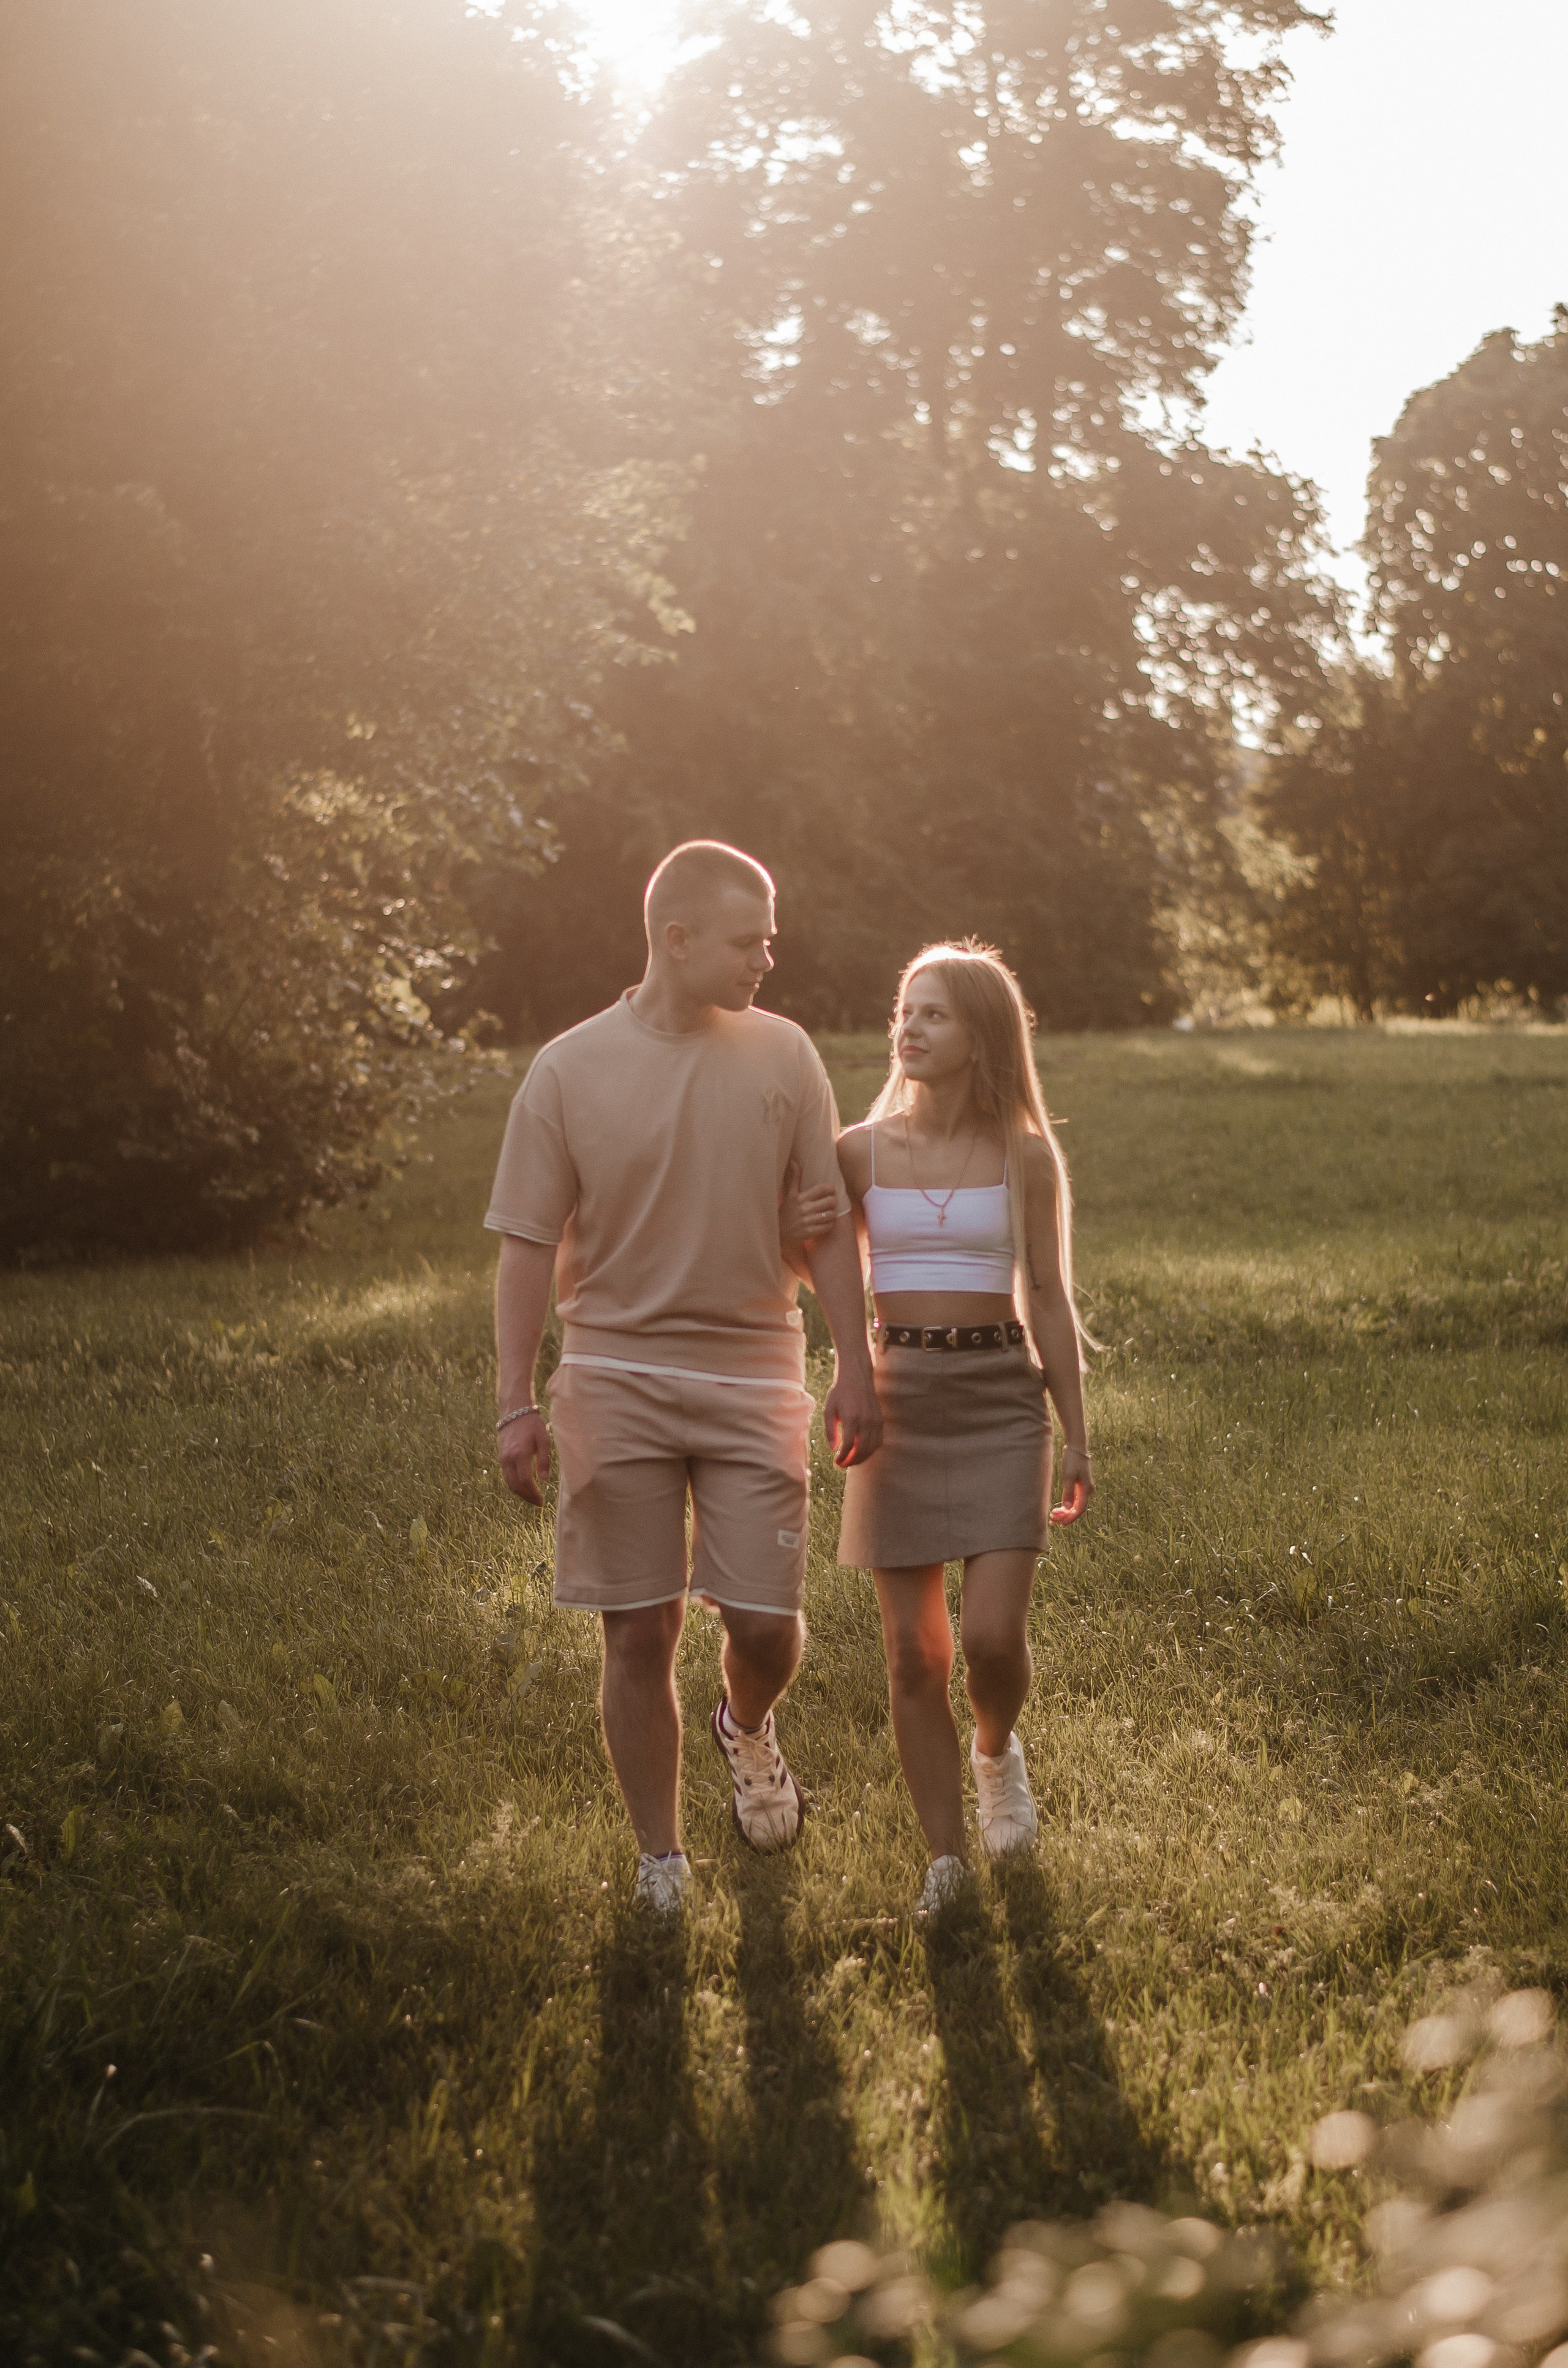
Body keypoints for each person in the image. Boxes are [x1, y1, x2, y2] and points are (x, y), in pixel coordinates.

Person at [485, 840, 881, 1915]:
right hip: (614, 1375)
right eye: (749, 939)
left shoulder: (787, 1054)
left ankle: (745, 1723)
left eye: (770, 937)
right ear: (676, 939)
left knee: (763, 1623)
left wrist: (853, 1359)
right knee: (640, 1626)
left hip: (756, 1373)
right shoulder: (567, 1068)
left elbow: (828, 1225)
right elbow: (525, 1242)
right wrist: (517, 1400)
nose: (768, 957)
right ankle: (662, 1858)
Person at [788, 942, 1093, 1918]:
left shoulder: (1026, 1155)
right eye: (904, 1011)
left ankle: (996, 1752)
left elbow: (1048, 1299)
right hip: (897, 1397)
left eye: (934, 1015)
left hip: (1003, 1395)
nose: (908, 1029)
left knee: (993, 1638)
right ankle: (945, 1861)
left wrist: (1076, 1433)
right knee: (914, 1652)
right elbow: (815, 1260)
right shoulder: (859, 1151)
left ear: (982, 1036)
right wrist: (808, 1256)